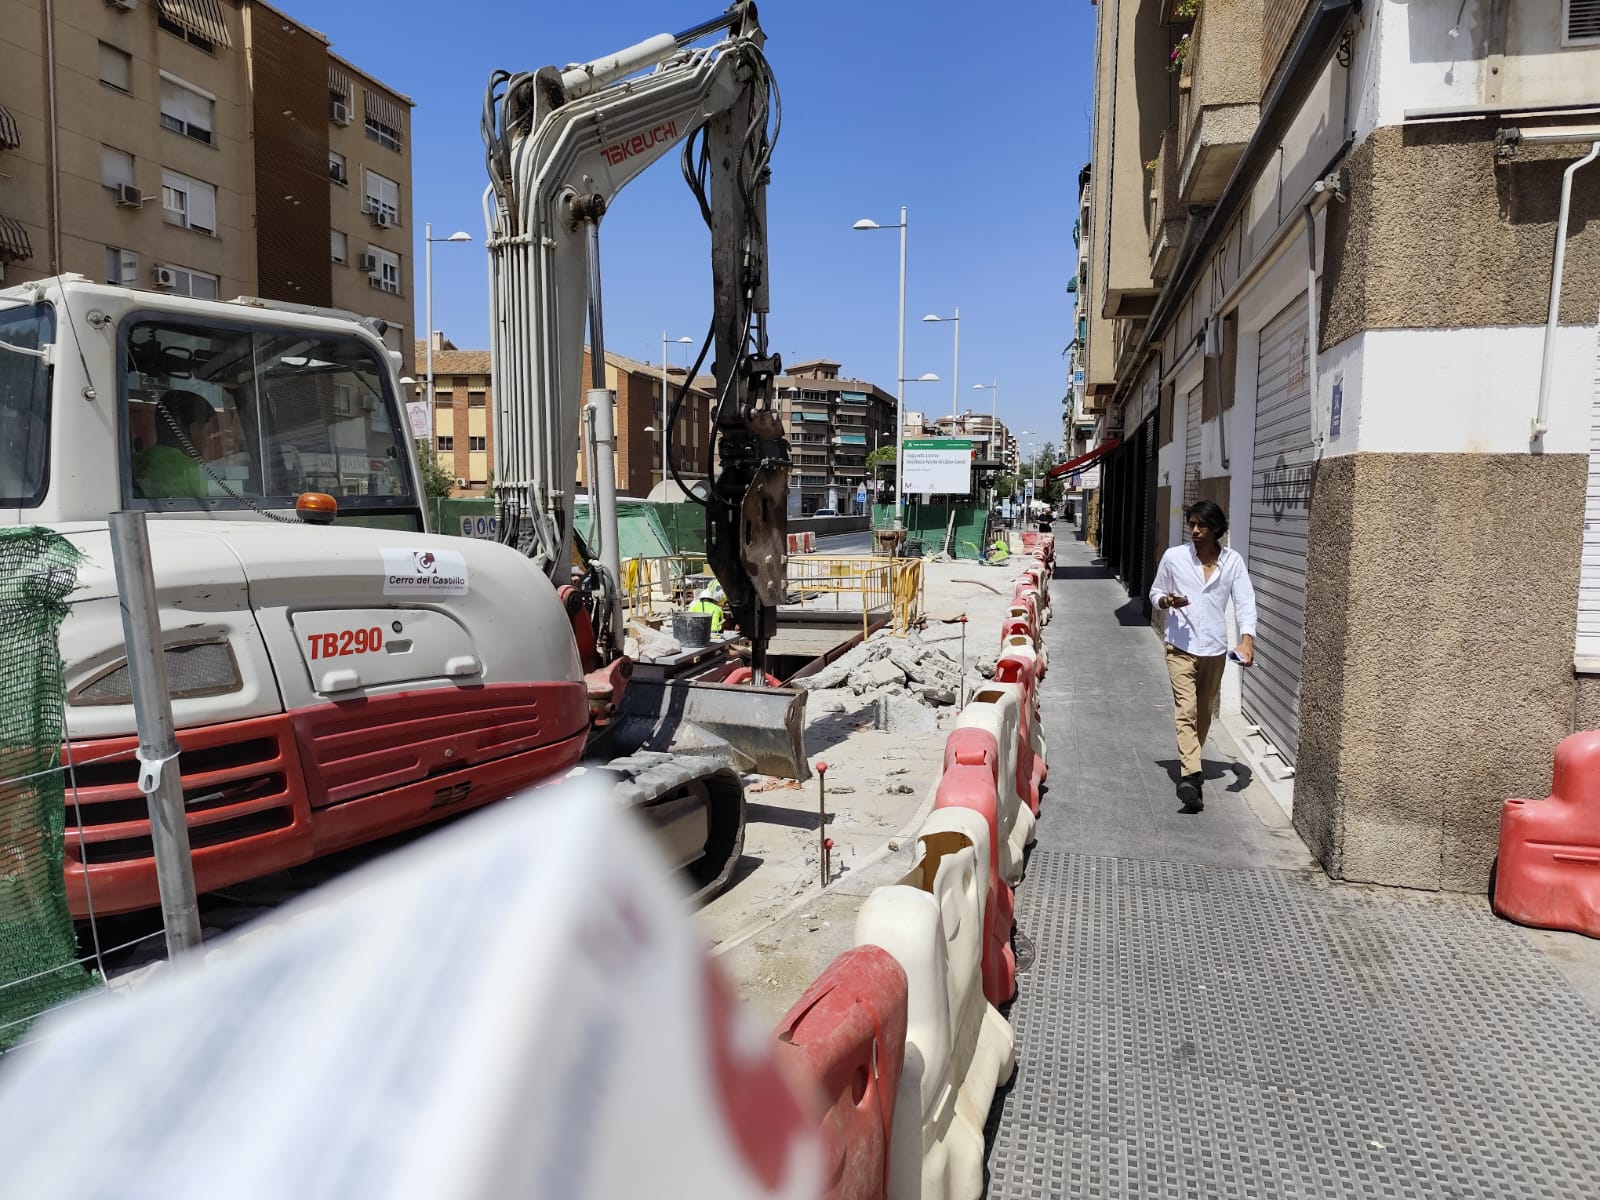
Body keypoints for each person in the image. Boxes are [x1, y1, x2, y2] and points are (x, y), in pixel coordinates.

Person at [1149, 499, 1257, 813]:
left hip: (1214, 649)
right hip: (1179, 646)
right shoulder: (1174, 557)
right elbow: (1156, 592)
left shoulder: (1233, 562)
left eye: (1202, 525)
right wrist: (1167, 601)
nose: (1195, 531)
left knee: (1204, 711)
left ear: (1217, 529)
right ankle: (1191, 776)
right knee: (1187, 709)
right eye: (1192, 524)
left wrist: (1247, 640)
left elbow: (1245, 602)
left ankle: (1191, 761)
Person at [132, 390, 214, 500]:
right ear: (194, 430)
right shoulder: (193, 472)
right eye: (208, 431)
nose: (209, 438)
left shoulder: (133, 464)